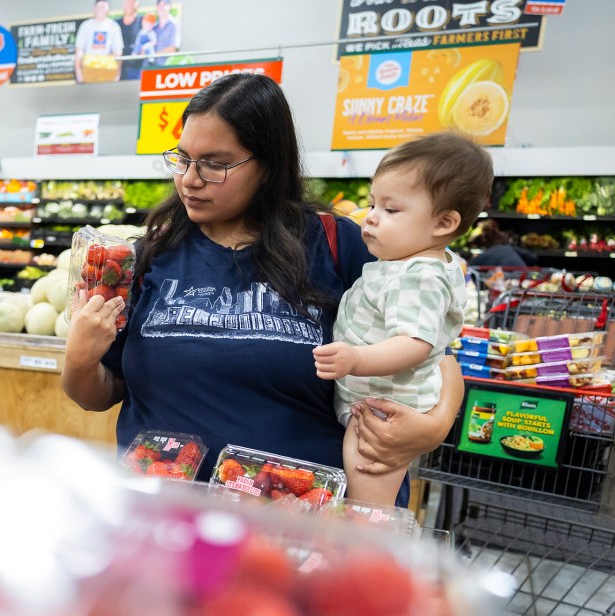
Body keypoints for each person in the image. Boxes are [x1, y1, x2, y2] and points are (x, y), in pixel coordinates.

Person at [62, 73, 463, 506]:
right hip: (162, 517)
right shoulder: (149, 254)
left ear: (268, 165)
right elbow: (98, 395)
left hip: (299, 525)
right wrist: (80, 359)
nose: (190, 180)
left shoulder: (340, 244)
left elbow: (439, 352)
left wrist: (434, 426)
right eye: (182, 158)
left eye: (215, 164)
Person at [313, 133, 491, 505]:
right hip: (378, 399)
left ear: (443, 223)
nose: (372, 217)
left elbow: (415, 343)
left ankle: (369, 546)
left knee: (367, 490)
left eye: (390, 210)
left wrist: (356, 359)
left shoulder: (420, 275)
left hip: (385, 409)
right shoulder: (404, 265)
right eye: (373, 203)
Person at [75, 0, 124, 83]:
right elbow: (79, 51)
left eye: (103, 7)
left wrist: (117, 74)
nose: (101, 9)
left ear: (108, 9)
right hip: (88, 71)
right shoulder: (85, 26)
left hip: (107, 71)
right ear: (94, 8)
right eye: (98, 7)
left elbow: (118, 53)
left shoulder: (114, 26)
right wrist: (79, 73)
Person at [140, 0, 179, 69]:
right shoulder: (153, 27)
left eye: (164, 5)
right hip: (149, 68)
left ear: (169, 7)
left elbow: (173, 48)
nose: (161, 8)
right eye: (159, 5)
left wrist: (155, 54)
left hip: (166, 68)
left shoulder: (174, 25)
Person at [117, 0, 144, 81]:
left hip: (137, 69)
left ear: (137, 4)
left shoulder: (143, 21)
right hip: (118, 69)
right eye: (128, 1)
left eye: (133, 2)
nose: (130, 4)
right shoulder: (115, 24)